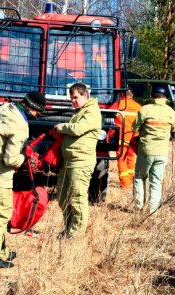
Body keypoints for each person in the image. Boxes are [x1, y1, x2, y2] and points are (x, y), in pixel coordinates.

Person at [0, 91, 46, 268]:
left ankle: (1, 252)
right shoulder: (20, 125)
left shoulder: (2, 109)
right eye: (39, 112)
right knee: (1, 216)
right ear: (32, 108)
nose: (38, 116)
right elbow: (10, 159)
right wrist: (26, 159)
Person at [54, 83, 102, 239]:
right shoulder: (80, 111)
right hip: (68, 161)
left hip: (81, 162)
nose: (73, 101)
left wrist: (61, 127)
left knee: (77, 197)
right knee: (62, 196)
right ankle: (68, 229)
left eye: (76, 97)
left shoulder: (92, 112)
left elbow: (78, 129)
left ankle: (76, 234)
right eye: (71, 98)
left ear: (85, 95)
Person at [132, 86, 175, 214]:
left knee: (140, 178)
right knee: (156, 182)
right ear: (165, 97)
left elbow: (135, 128)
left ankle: (139, 207)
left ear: (152, 96)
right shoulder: (171, 111)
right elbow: (174, 129)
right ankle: (153, 211)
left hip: (146, 151)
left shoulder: (145, 109)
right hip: (162, 152)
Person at [115, 89, 142, 189]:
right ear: (132, 95)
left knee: (121, 159)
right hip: (134, 138)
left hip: (121, 138)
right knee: (131, 158)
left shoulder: (118, 105)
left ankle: (125, 184)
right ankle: (130, 179)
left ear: (122, 95)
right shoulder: (139, 107)